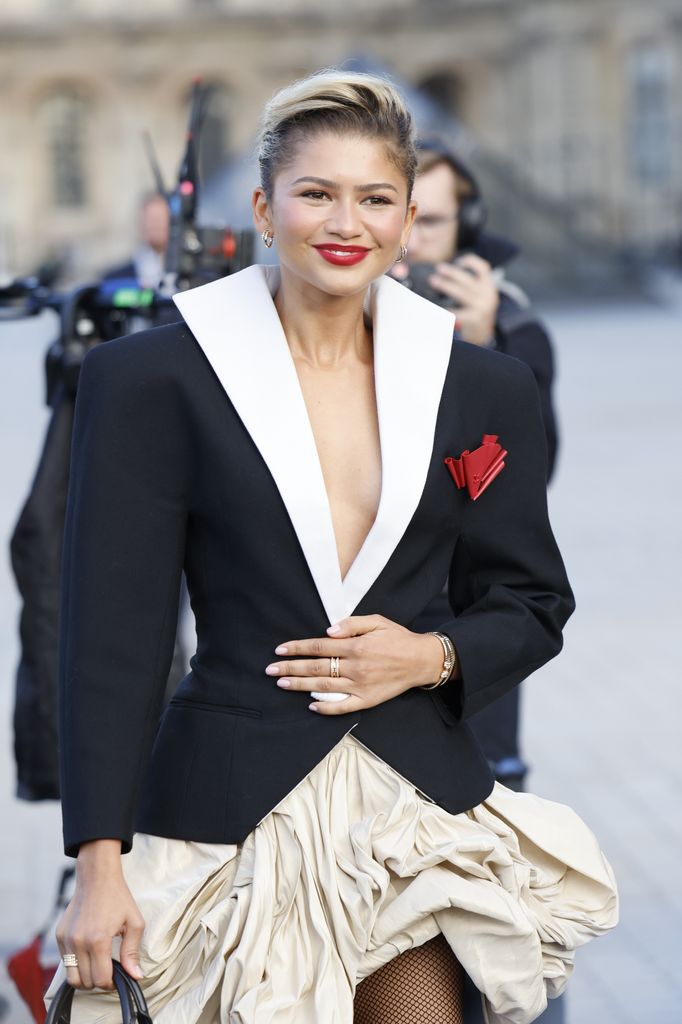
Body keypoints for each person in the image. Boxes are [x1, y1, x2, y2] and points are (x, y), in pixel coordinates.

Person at [48, 70, 617, 1024]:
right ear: (265, 210)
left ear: (405, 222)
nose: (345, 221)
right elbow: (112, 636)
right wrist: (96, 867)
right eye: (316, 193)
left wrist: (431, 654)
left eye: (375, 198)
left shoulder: (482, 384)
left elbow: (532, 601)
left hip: (413, 810)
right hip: (229, 806)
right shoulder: (150, 379)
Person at [401, 143, 560, 793]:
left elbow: (529, 473)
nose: (406, 240)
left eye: (429, 222)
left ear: (466, 230)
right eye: (395, 212)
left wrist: (483, 348)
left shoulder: (513, 327)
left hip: (463, 620)